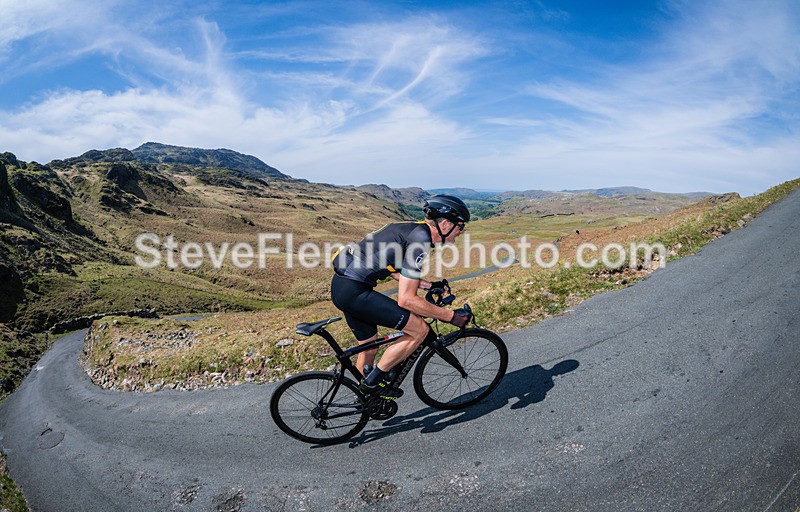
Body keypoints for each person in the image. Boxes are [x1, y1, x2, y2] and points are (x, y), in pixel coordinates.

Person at [330, 194, 473, 399]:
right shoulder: (420, 240)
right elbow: (406, 300)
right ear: (444, 224)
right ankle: (372, 384)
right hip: (355, 292)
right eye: (460, 226)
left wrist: (428, 285)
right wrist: (451, 317)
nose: (461, 232)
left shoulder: (408, 229)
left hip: (343, 287)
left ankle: (365, 402)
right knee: (420, 330)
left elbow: (386, 264)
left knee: (369, 346)